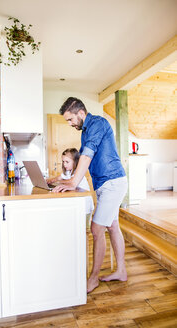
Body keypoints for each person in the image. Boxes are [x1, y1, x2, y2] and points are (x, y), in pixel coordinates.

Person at [52, 97, 128, 293]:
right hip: (104, 184)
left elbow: (86, 156)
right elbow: (83, 160)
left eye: (70, 119)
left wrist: (72, 183)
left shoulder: (97, 124)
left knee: (96, 229)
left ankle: (93, 279)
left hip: (113, 182)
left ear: (81, 113)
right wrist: (63, 180)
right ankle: (121, 271)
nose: (70, 124)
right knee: (112, 226)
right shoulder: (85, 131)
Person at [47, 148, 94, 223]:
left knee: (84, 228)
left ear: (75, 162)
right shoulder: (68, 172)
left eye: (67, 162)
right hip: (78, 204)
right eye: (63, 161)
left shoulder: (77, 172)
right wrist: (49, 181)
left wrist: (59, 182)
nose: (64, 164)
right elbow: (57, 178)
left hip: (85, 205)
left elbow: (70, 181)